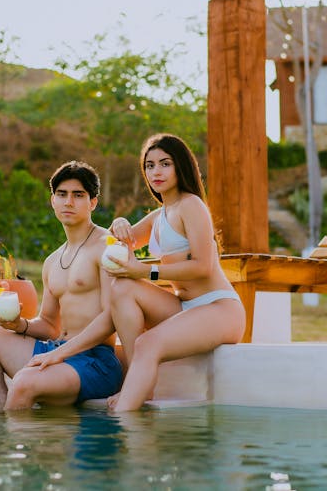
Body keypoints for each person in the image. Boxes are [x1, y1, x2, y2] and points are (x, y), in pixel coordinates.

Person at [0, 160, 123, 411]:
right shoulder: (52, 261)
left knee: (24, 381)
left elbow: (111, 318)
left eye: (78, 195)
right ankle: (1, 411)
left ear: (93, 202)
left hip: (94, 361)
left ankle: (11, 433)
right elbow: (49, 324)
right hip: (56, 350)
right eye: (62, 194)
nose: (68, 202)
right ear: (53, 200)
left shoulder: (105, 246)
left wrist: (59, 354)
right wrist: (19, 325)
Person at [103, 133, 247, 412]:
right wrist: (118, 223)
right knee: (122, 288)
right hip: (184, 308)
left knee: (148, 342)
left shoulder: (191, 205)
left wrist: (145, 271)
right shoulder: (160, 215)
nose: (156, 171)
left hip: (218, 308)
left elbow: (202, 267)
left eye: (164, 164)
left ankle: (128, 417)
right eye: (149, 165)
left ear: (180, 166)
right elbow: (122, 241)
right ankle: (138, 382)